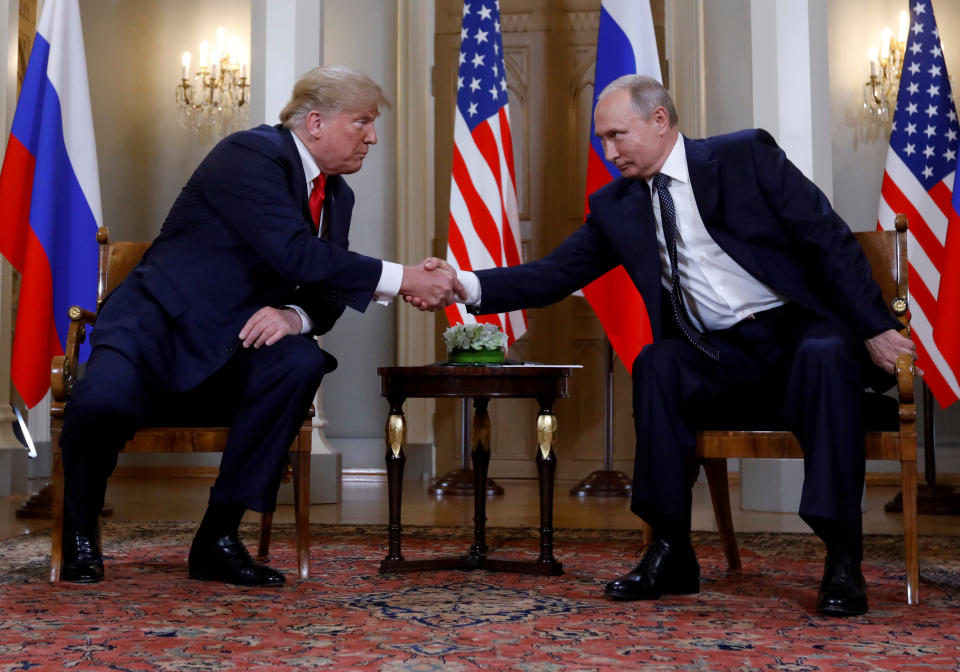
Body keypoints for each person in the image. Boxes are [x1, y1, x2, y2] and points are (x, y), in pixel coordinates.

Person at [429, 75, 915, 616]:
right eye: (603, 141)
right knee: (658, 361)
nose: (610, 152)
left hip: (798, 336)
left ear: (659, 120)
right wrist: (464, 284)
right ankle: (672, 549)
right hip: (719, 356)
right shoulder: (617, 205)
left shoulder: (743, 157)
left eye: (618, 135)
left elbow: (828, 240)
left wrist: (873, 327)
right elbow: (555, 275)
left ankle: (842, 556)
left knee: (824, 353)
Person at [60, 65, 461, 586]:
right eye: (361, 122)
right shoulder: (249, 155)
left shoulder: (337, 195)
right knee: (100, 405)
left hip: (232, 347)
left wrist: (295, 316)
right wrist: (404, 276)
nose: (372, 136)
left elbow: (326, 282)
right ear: (315, 122)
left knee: (300, 359)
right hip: (156, 331)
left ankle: (218, 539)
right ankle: (78, 535)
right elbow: (297, 256)